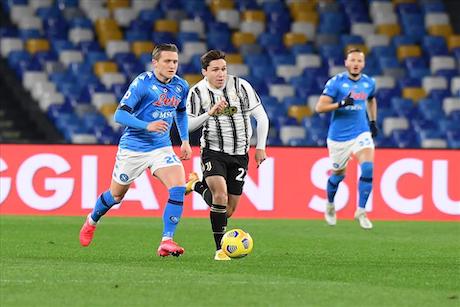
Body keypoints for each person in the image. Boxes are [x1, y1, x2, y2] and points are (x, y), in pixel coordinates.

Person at [79, 43, 192, 257]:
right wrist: (146, 125)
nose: (172, 65)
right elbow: (119, 116)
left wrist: (185, 141)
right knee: (116, 195)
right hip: (134, 148)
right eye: (167, 61)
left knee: (178, 187)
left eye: (175, 61)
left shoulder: (181, 86)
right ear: (155, 63)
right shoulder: (142, 83)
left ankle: (166, 240)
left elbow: (181, 111)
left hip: (161, 147)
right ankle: (92, 220)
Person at [185, 50, 269, 260]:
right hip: (213, 151)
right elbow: (186, 125)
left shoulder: (242, 86)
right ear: (205, 72)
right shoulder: (197, 93)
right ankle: (220, 250)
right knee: (220, 196)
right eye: (215, 70)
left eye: (223, 69)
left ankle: (195, 185)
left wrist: (261, 147)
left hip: (240, 153)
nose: (221, 74)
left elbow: (262, 117)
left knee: (228, 210)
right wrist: (209, 113)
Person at [315, 48, 378, 230]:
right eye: (353, 60)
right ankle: (330, 204)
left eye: (359, 61)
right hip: (338, 137)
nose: (356, 64)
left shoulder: (369, 83)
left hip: (361, 132)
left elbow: (371, 99)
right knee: (338, 176)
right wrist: (340, 104)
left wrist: (373, 121)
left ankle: (361, 210)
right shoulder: (336, 82)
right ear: (346, 62)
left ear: (363, 64)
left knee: (368, 167)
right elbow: (320, 107)